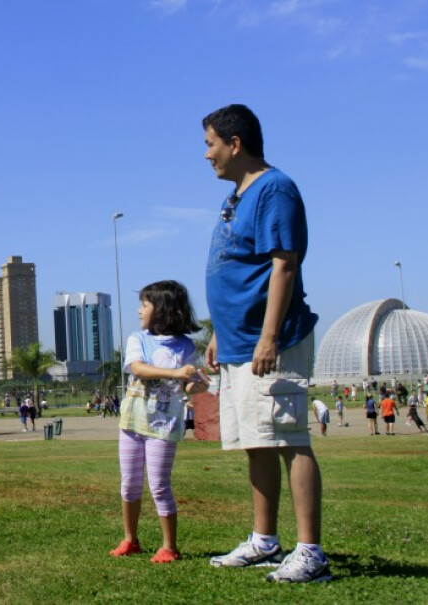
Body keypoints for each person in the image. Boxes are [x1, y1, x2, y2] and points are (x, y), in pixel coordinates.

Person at [201, 105, 330, 583]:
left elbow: (283, 264)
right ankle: (264, 540)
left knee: (290, 439)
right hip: (237, 342)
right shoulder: (236, 195)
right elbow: (236, 266)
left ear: (235, 144)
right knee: (257, 442)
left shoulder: (275, 188)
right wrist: (219, 331)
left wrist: (269, 336)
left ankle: (311, 553)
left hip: (269, 340)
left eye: (211, 144)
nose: (207, 155)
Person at [111, 280, 209, 564]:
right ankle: (130, 539)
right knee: (129, 484)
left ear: (163, 309)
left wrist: (198, 386)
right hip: (132, 423)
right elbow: (137, 368)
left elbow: (188, 385)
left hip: (163, 427)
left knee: (159, 486)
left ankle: (169, 546)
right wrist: (177, 373)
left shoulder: (185, 346)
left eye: (145, 305)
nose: (139, 311)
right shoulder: (138, 339)